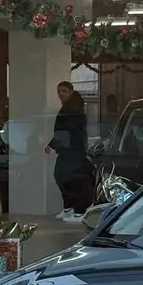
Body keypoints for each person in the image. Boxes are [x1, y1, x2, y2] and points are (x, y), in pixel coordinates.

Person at [46, 81, 93, 221]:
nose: (61, 94)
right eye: (59, 91)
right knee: (62, 177)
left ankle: (79, 210)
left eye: (64, 91)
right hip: (66, 149)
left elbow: (68, 130)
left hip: (73, 150)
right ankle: (69, 207)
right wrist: (53, 144)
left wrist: (53, 144)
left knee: (72, 179)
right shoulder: (68, 107)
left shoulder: (74, 108)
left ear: (71, 91)